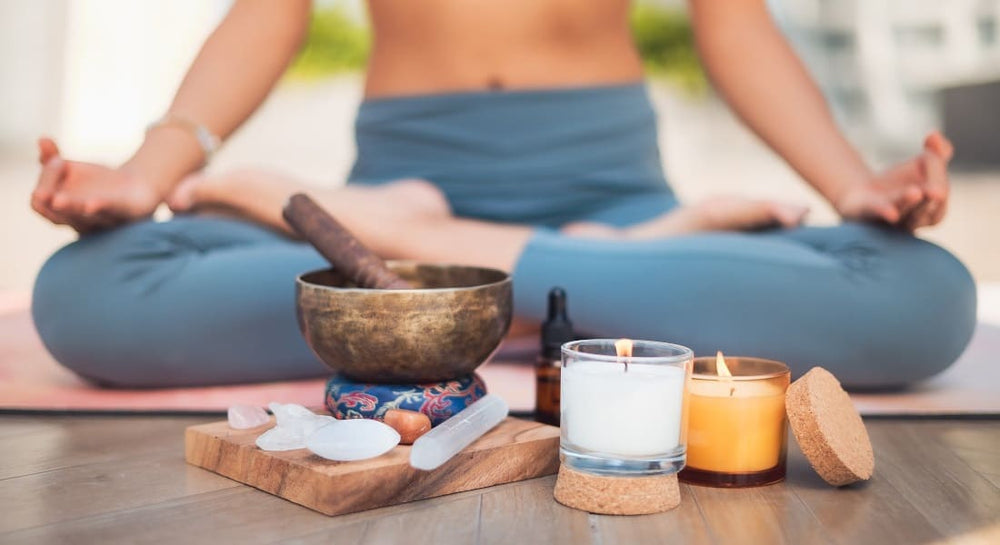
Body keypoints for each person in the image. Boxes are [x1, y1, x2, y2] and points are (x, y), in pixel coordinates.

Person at [31, 0, 975, 389]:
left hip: (466, 231)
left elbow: (733, 21)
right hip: (412, 218)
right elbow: (269, 13)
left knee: (923, 296)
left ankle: (457, 271)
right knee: (89, 291)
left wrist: (854, 186)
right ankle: (584, 286)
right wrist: (142, 180)